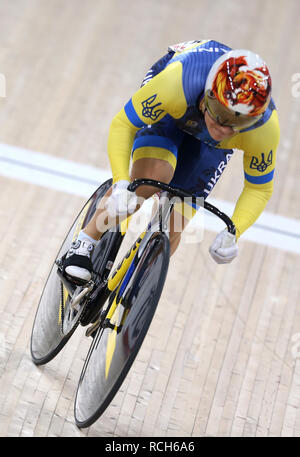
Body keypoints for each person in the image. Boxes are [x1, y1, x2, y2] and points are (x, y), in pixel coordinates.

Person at [62, 39, 280, 283]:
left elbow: (259, 188)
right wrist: (122, 183)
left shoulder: (264, 129)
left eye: (238, 123)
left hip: (205, 136)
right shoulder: (176, 83)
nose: (223, 128)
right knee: (151, 179)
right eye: (220, 114)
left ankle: (131, 298)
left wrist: (234, 232)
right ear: (209, 94)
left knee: (174, 224)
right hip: (174, 109)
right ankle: (85, 242)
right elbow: (123, 125)